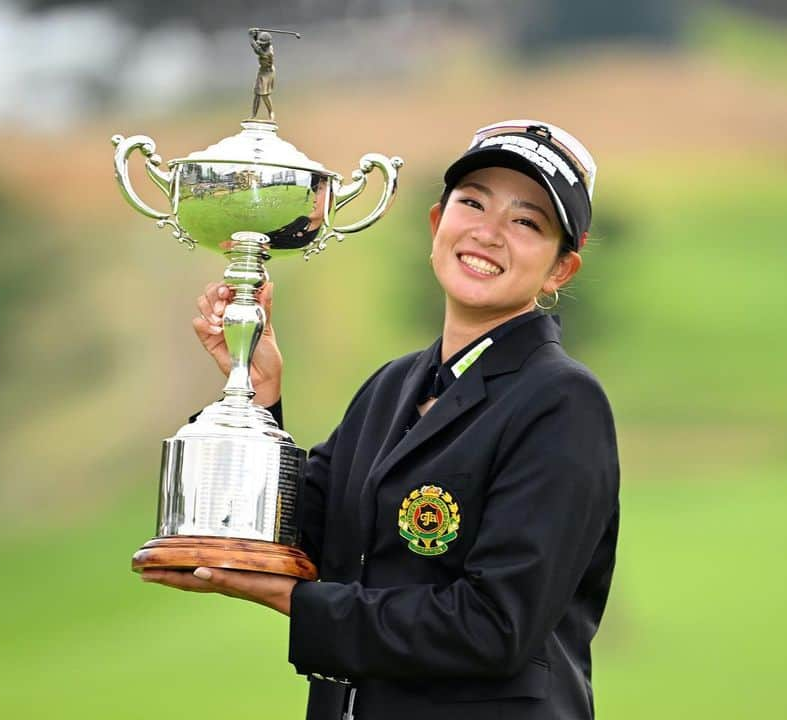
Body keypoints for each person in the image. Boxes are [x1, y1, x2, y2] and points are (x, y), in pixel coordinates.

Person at [142, 120, 620, 720]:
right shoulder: (391, 388)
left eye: (527, 222)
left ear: (559, 270)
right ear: (436, 224)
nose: (490, 233)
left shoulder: (561, 402)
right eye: (472, 203)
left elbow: (494, 626)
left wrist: (297, 602)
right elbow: (303, 535)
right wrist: (258, 394)